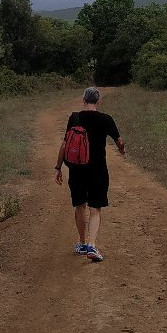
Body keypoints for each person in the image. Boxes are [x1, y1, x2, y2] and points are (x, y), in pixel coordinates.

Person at [54, 86, 125, 263]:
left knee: (80, 206)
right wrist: (122, 150)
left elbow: (64, 145)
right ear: (98, 101)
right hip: (98, 171)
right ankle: (92, 245)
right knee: (95, 209)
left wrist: (58, 167)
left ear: (83, 100)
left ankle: (82, 243)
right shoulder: (106, 119)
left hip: (77, 170)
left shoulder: (74, 117)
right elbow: (119, 141)